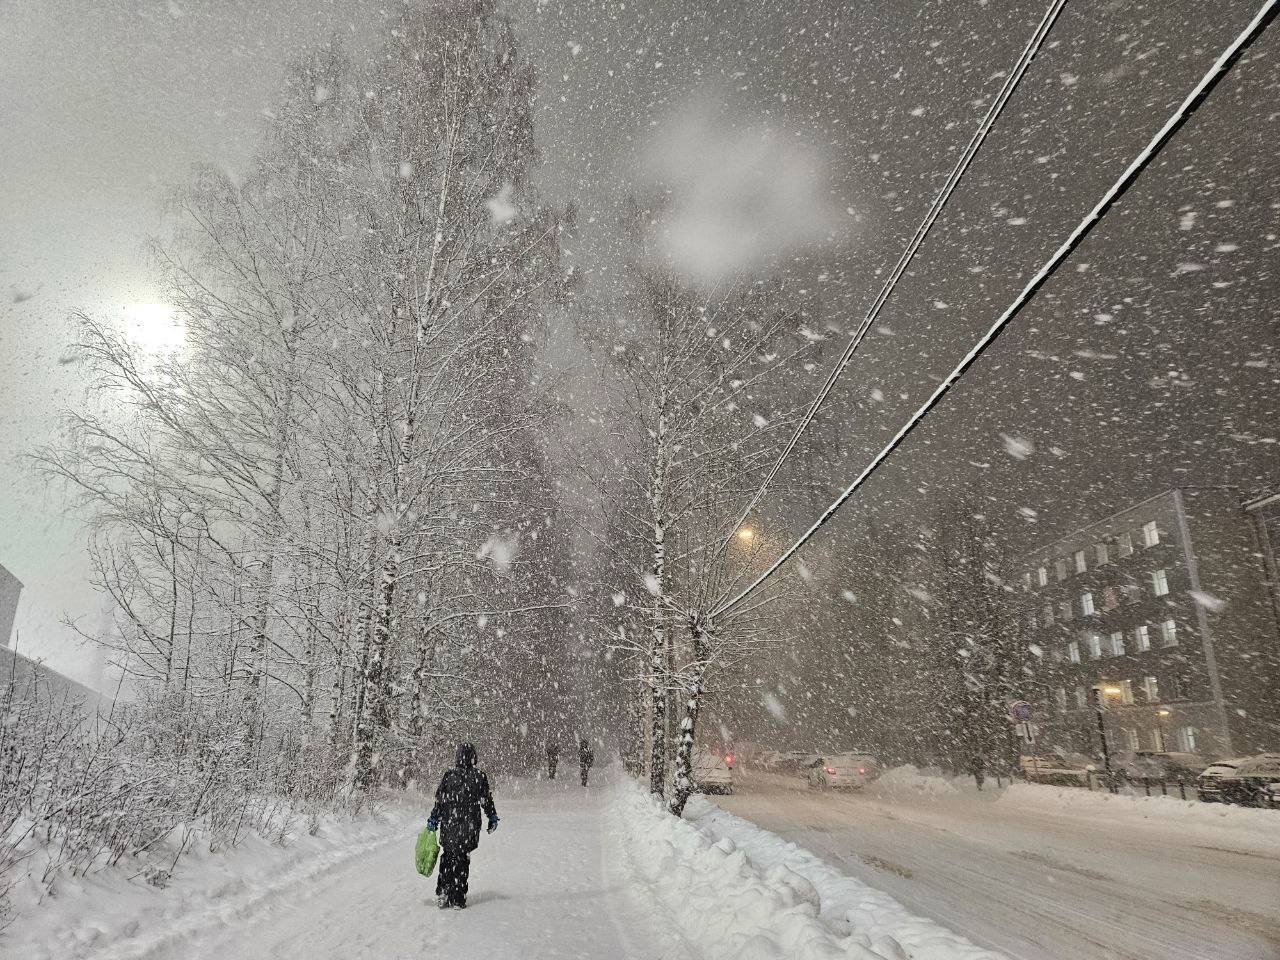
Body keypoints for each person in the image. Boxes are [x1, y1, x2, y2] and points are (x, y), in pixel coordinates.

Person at [427, 743, 498, 910]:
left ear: (457, 757)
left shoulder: (449, 775)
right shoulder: (479, 776)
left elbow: (440, 800)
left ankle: (443, 892)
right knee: (462, 859)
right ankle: (458, 897)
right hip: (469, 825)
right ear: (474, 757)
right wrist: (492, 816)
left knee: (447, 857)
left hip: (450, 823)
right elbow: (486, 799)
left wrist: (433, 819)